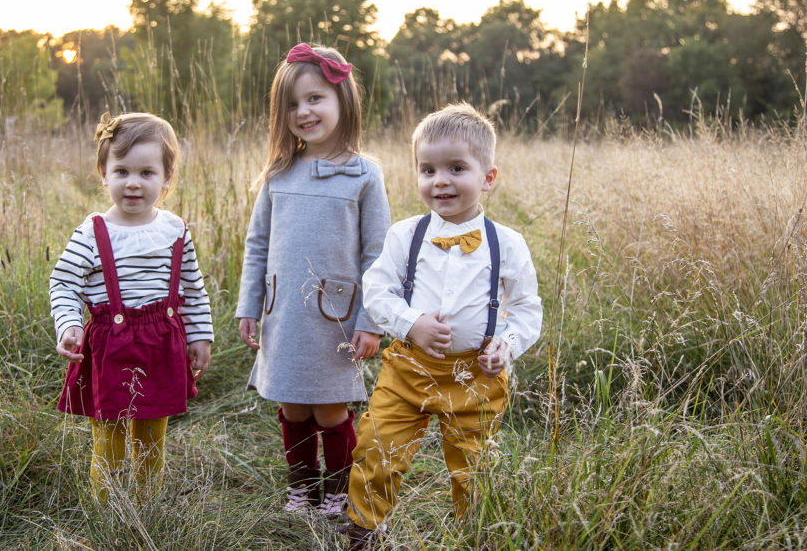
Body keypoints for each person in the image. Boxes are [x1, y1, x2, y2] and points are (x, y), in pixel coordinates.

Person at [344, 102, 542, 547]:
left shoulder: (507, 244)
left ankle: (474, 531)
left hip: (477, 374)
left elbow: (526, 307)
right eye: (428, 169)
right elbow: (377, 290)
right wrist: (411, 323)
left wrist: (506, 345)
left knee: (474, 464)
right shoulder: (405, 234)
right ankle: (365, 528)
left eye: (457, 168)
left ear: (488, 177)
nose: (441, 181)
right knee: (377, 447)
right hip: (408, 370)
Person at [236, 43, 391, 518]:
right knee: (293, 407)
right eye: (291, 104)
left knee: (330, 410)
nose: (303, 111)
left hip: (337, 321)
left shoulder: (364, 175)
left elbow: (378, 255)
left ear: (344, 100)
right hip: (284, 315)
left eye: (315, 98)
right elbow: (257, 244)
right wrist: (248, 304)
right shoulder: (278, 175)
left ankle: (338, 492)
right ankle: (301, 489)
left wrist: (371, 321)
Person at [51, 112, 213, 503]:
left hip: (161, 344)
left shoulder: (175, 229)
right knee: (111, 439)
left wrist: (200, 335)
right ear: (103, 174)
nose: (134, 183)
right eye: (121, 171)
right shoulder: (93, 231)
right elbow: (64, 282)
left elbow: (193, 287)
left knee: (152, 437)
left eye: (147, 172)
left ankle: (145, 508)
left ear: (167, 178)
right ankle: (108, 515)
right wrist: (69, 324)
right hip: (111, 347)